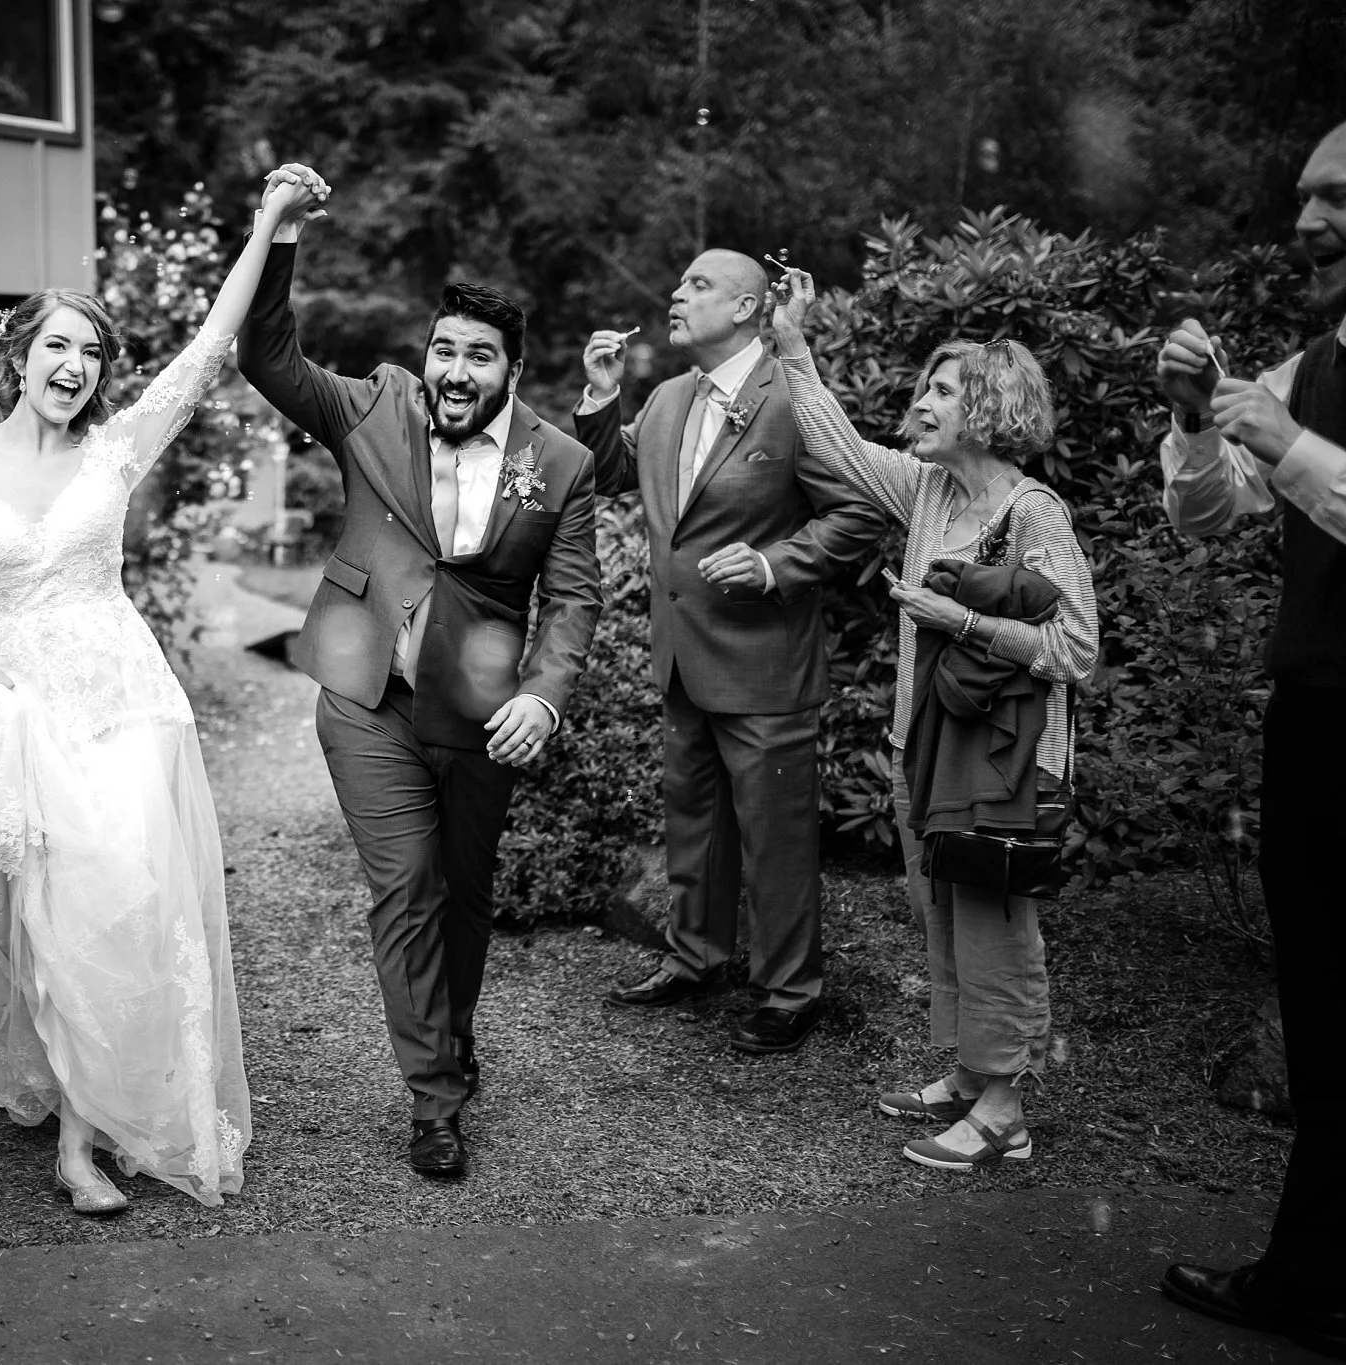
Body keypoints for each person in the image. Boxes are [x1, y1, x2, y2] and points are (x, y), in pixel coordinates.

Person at [0, 172, 323, 1217]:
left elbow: (212, 347)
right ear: (18, 358)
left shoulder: (114, 451)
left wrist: (267, 227)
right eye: (56, 347)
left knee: (120, 893)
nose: (74, 367)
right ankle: (78, 1120)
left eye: (91, 353)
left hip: (121, 704)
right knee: (41, 915)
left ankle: (93, 1132)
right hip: (13, 709)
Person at [239, 164, 602, 1180]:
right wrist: (279, 234)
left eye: (477, 356)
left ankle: (449, 1034)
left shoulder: (560, 465)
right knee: (404, 888)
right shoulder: (372, 410)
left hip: (480, 713)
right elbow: (266, 355)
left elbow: (571, 598)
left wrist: (543, 691)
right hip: (364, 698)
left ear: (510, 371)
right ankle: (433, 1097)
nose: (453, 368)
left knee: (463, 896)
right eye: (442, 348)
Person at [765, 267, 1098, 1168]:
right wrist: (793, 341)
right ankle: (969, 1069)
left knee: (994, 923)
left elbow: (1076, 649)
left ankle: (1004, 1110)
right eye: (923, 387)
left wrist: (964, 621)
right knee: (942, 912)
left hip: (1006, 764)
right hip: (928, 747)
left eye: (941, 390)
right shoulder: (929, 494)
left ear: (987, 408)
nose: (919, 402)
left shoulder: (1037, 515)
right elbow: (836, 445)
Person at [577, 251, 881, 1054]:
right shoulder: (671, 397)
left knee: (776, 838)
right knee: (694, 822)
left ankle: (790, 991)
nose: (676, 293)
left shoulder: (795, 400)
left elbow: (858, 511)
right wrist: (604, 400)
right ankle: (695, 956)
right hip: (681, 652)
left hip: (765, 660)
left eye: (698, 285)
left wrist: (775, 563)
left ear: (750, 307)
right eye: (676, 283)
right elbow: (612, 474)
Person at [1152, 122, 1346, 1361]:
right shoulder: (1307, 364)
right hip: (1319, 727)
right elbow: (1208, 518)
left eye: (1334, 200)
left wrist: (1298, 453)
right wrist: (1194, 424)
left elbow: (1294, 472)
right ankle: (1311, 1275)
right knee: (1325, 1004)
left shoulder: (1305, 403)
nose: (1305, 225)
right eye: (1301, 201)